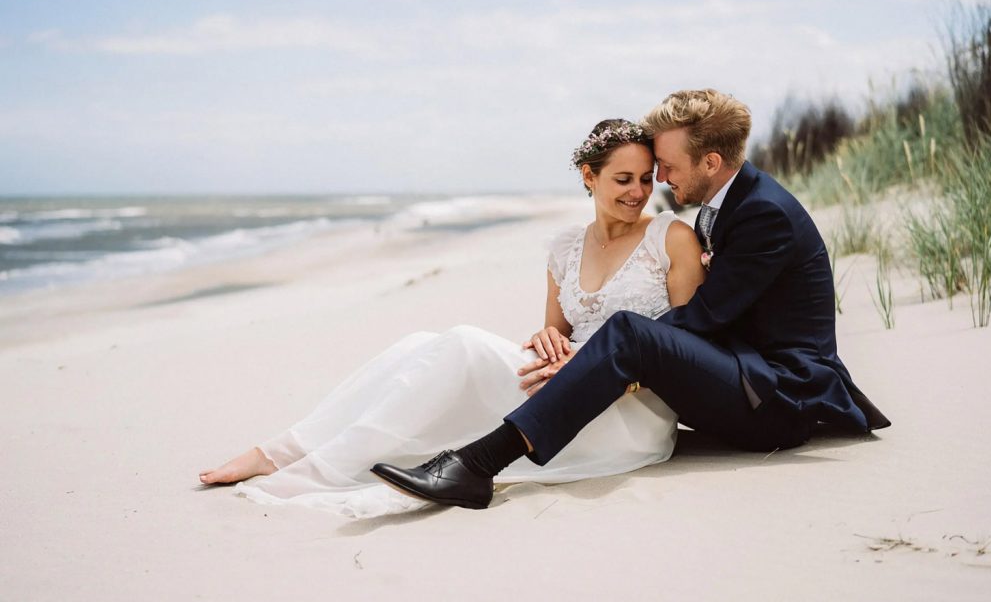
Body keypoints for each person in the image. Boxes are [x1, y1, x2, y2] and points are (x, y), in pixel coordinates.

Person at [371, 89, 891, 510]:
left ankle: (477, 465)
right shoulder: (734, 202)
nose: (658, 180)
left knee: (627, 332)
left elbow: (705, 316)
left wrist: (594, 359)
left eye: (665, 166)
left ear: (711, 161)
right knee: (614, 339)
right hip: (748, 375)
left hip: (780, 399)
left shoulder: (764, 212)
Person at [199, 119, 706, 518]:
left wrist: (591, 370)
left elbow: (687, 348)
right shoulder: (566, 247)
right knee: (416, 343)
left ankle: (313, 467)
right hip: (558, 393)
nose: (638, 192)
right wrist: (549, 339)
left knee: (463, 341)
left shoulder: (670, 237)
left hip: (629, 417)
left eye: (646, 179)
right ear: (589, 177)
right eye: (623, 179)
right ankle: (283, 451)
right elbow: (557, 332)